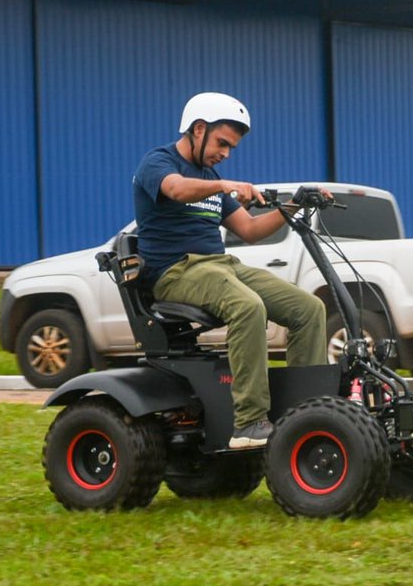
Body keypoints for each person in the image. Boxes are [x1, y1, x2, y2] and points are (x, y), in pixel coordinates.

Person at [132, 92, 327, 448]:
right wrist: (224, 185)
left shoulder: (210, 177)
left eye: (231, 148)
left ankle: (305, 416)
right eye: (222, 143)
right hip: (176, 271)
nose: (225, 153)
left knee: (308, 309)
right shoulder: (158, 163)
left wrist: (298, 204)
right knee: (247, 306)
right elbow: (175, 190)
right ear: (198, 128)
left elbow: (249, 231)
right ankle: (249, 423)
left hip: (221, 267)